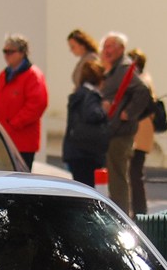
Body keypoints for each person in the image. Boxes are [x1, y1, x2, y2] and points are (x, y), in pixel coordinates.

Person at [98, 32, 150, 216]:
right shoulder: (114, 69)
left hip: (120, 133)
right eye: (105, 46)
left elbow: (143, 91)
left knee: (118, 178)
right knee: (113, 177)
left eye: (111, 46)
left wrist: (128, 113)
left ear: (121, 49)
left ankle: (121, 216)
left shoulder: (124, 68)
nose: (107, 50)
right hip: (113, 131)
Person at [0, 33, 48, 169]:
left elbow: (36, 105)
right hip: (1, 140)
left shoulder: (33, 75)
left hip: (22, 142)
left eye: (10, 52)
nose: (6, 55)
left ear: (22, 53)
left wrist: (14, 124)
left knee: (19, 178)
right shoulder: (3, 75)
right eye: (5, 51)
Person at [62, 60, 108, 188]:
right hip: (88, 152)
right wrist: (104, 110)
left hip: (74, 149)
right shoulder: (92, 96)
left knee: (80, 185)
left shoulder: (78, 93)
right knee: (89, 187)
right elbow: (93, 114)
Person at [128, 49, 157, 216]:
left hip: (141, 130)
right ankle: (138, 208)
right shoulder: (145, 78)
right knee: (134, 172)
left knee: (135, 172)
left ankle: (139, 210)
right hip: (142, 130)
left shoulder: (140, 80)